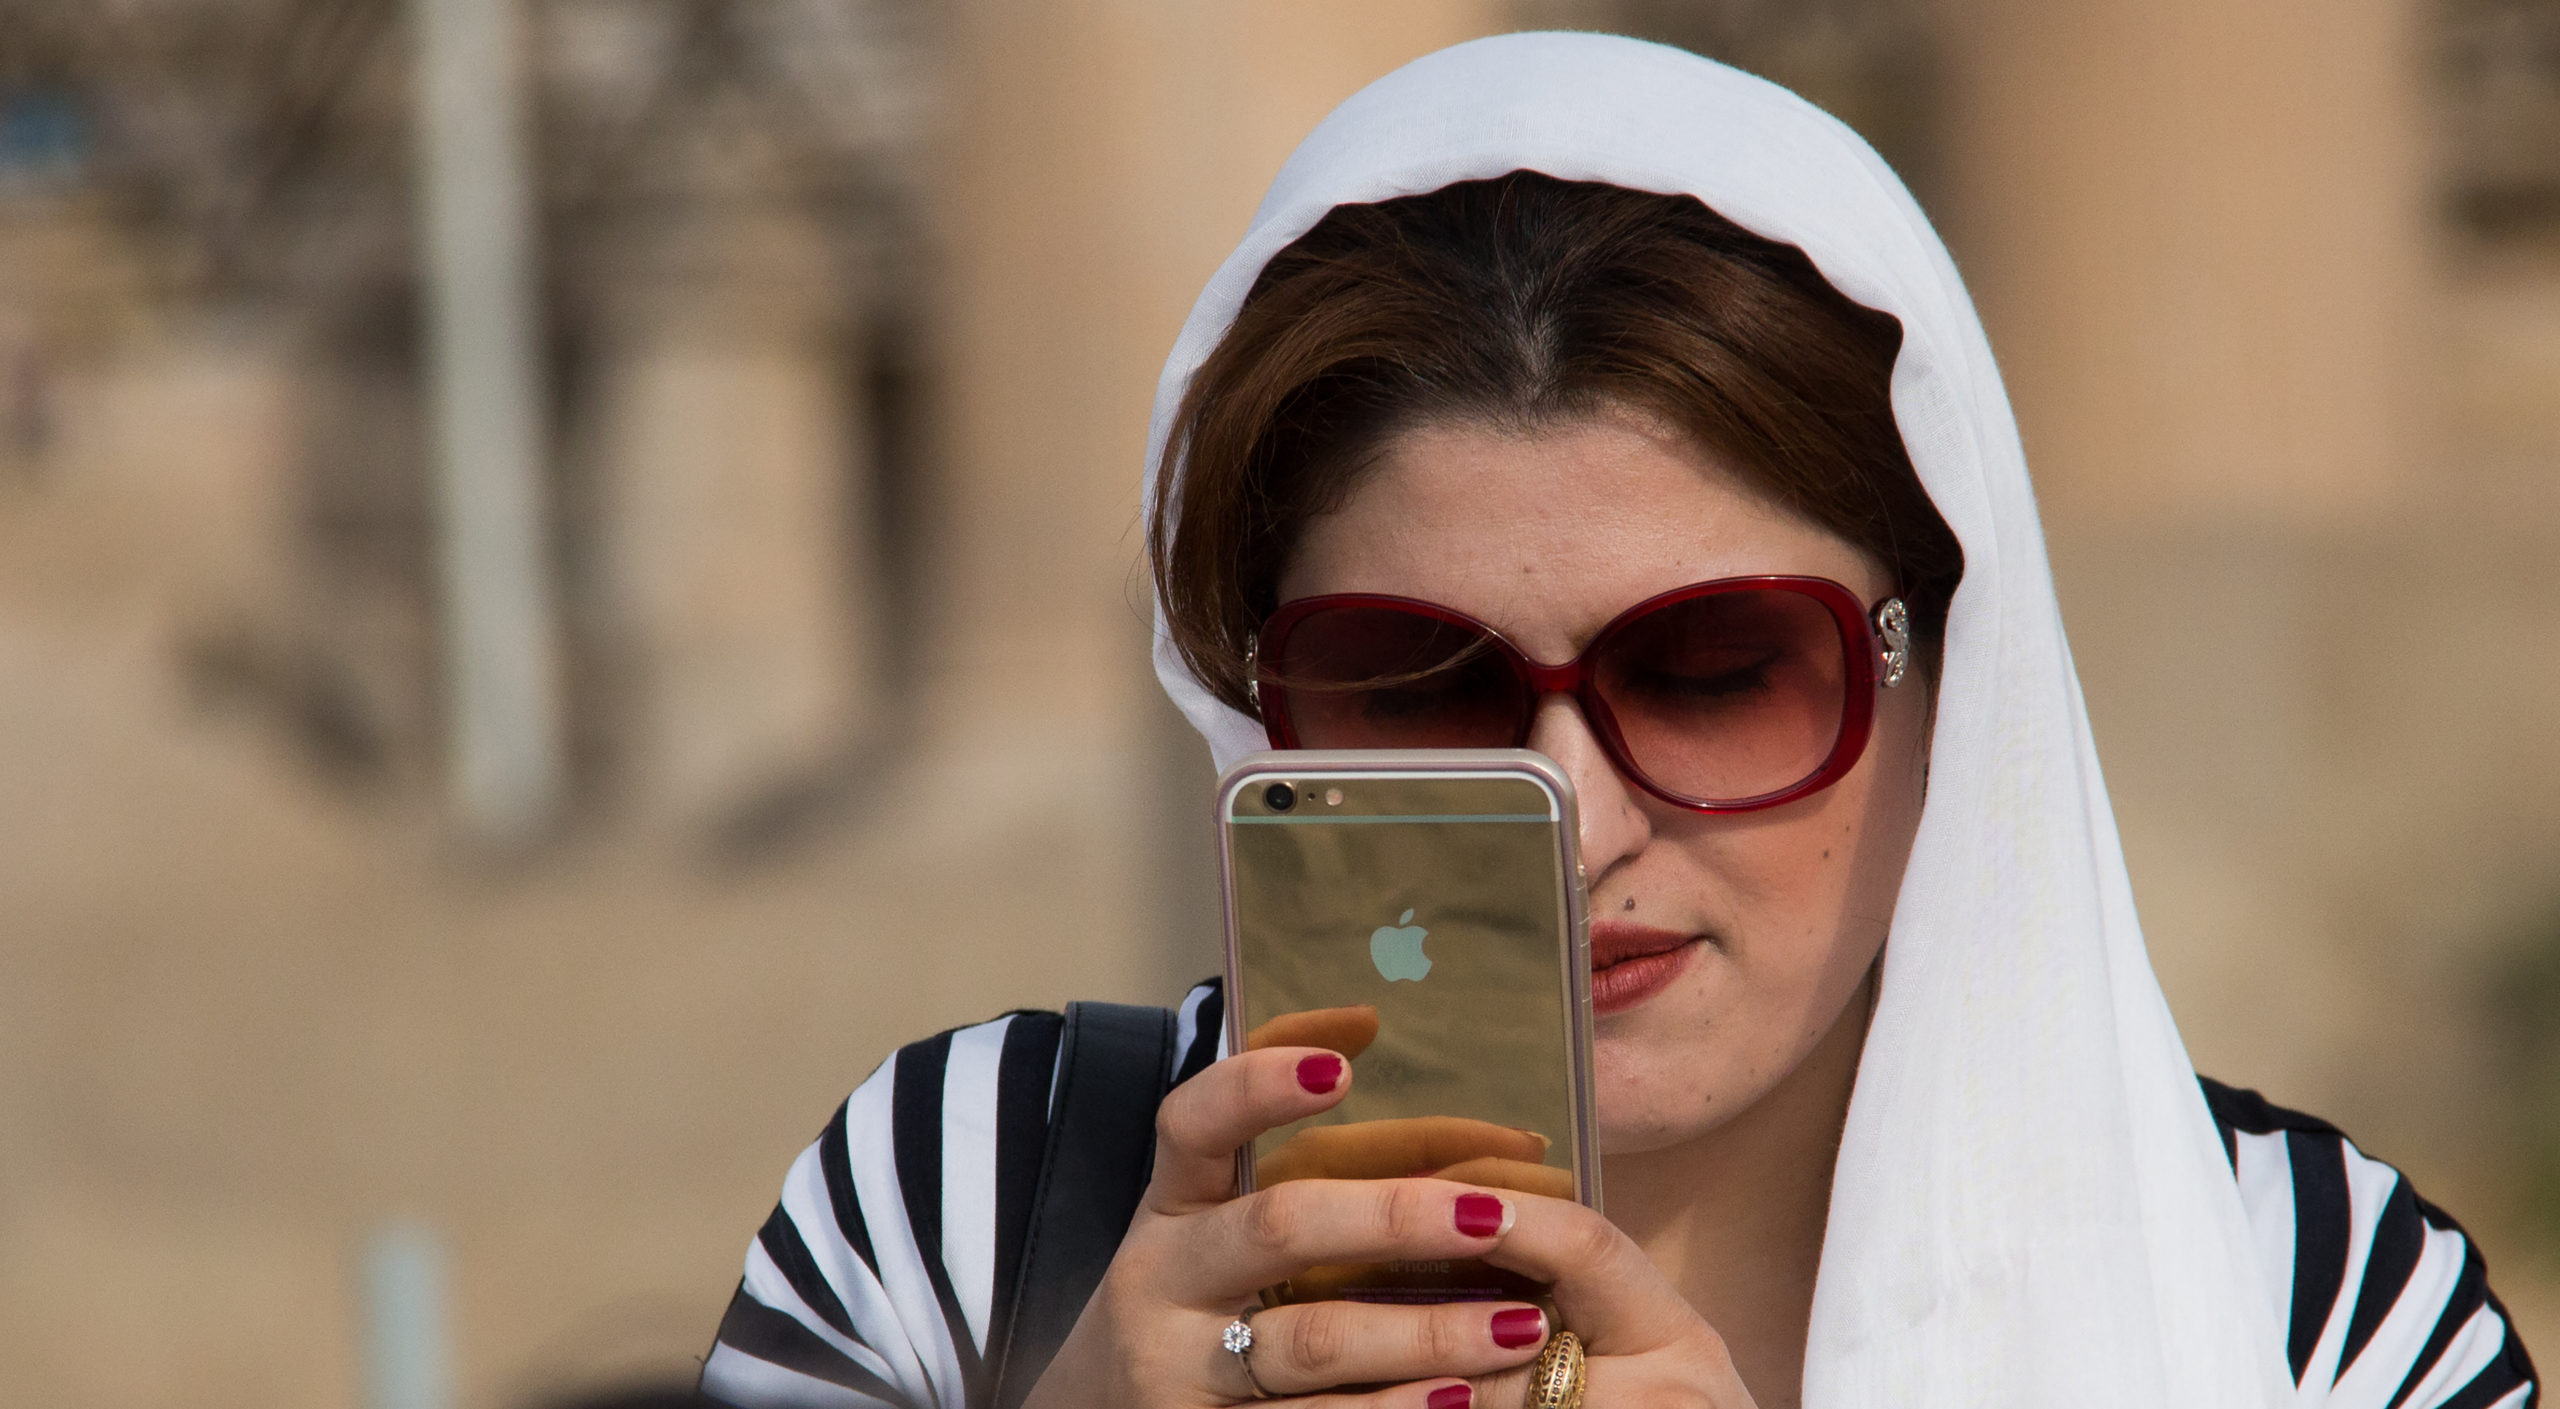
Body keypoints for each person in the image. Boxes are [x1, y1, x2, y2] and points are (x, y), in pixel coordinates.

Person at [698, 33, 2542, 1409]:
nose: (1573, 815)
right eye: (1416, 683)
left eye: (1719, 665)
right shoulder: (971, 1204)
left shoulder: (2314, 1306)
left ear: (1946, 679)